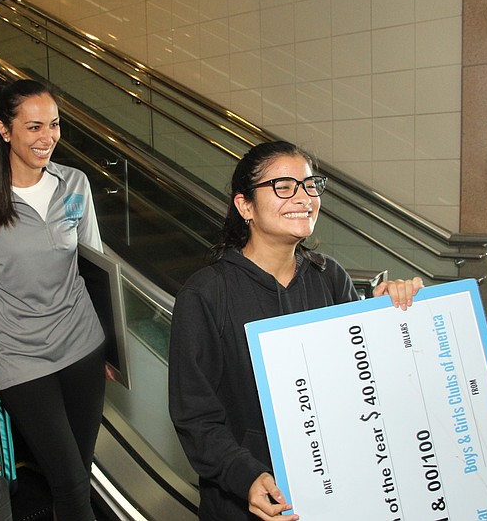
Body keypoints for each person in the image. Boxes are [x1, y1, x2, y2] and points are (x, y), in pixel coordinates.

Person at [168, 141, 423, 521]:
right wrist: (245, 474)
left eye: (309, 185)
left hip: (334, 490)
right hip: (249, 501)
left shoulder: (330, 277)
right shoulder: (206, 294)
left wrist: (391, 318)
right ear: (245, 206)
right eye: (283, 187)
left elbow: (363, 383)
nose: (303, 198)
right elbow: (196, 416)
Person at [0, 79, 105, 521]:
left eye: (54, 125)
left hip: (82, 345)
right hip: (22, 357)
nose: (47, 137)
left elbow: (93, 267)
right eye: (33, 127)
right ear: (4, 131)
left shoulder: (75, 184)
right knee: (67, 480)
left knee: (77, 478)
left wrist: (111, 349)